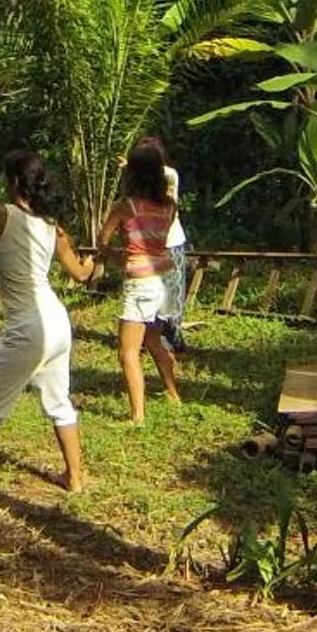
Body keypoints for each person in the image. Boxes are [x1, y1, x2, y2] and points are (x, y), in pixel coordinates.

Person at [0, 150, 97, 509]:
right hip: (58, 323)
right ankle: (75, 478)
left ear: (14, 181)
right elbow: (81, 275)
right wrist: (94, 262)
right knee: (59, 402)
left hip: (28, 327)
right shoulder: (54, 226)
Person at [99, 138, 185, 423]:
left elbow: (103, 241)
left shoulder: (125, 206)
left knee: (127, 353)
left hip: (141, 282)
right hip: (165, 278)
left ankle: (137, 416)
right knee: (153, 339)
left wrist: (117, 257)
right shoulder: (169, 206)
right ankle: (173, 394)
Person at [159, 159, 193, 353]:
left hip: (171, 242)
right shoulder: (138, 179)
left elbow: (170, 205)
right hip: (150, 245)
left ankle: (174, 337)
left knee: (173, 294)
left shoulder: (169, 174)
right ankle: (157, 337)